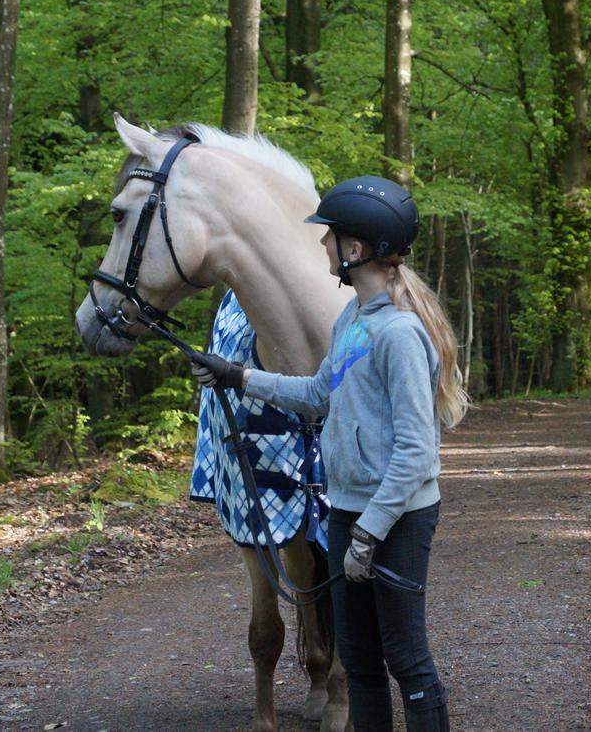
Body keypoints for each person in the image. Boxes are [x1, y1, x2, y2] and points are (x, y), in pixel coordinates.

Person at [191, 176, 469, 732]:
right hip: (347, 510)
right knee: (361, 663)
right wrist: (238, 376)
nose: (321, 244)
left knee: (407, 660)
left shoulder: (399, 334)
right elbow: (318, 394)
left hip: (395, 517)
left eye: (330, 236)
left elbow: (418, 451)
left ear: (356, 249)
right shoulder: (351, 320)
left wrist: (370, 531)